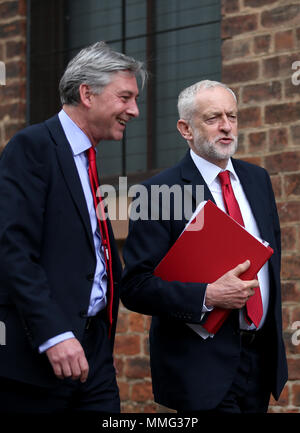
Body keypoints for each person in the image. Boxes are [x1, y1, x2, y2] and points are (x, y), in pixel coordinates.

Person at [121, 80, 288, 413]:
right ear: (186, 128)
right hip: (199, 370)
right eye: (213, 118)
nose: (226, 126)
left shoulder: (257, 179)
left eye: (232, 116)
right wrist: (208, 295)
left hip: (258, 360)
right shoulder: (156, 193)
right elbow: (135, 287)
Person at [0, 41, 146, 414]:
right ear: (87, 94)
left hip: (93, 350)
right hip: (40, 358)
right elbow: (12, 249)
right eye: (125, 97)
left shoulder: (89, 159)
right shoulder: (32, 146)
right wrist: (54, 334)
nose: (135, 110)